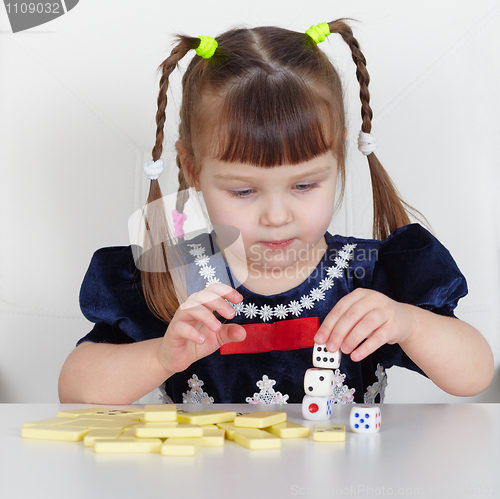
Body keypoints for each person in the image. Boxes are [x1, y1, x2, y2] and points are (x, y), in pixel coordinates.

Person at [58, 20, 493, 405]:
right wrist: (158, 356)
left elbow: (475, 375)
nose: (277, 215)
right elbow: (75, 390)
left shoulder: (367, 274)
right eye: (244, 190)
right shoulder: (171, 276)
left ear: (338, 157)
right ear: (191, 168)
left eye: (304, 185)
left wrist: (409, 324)